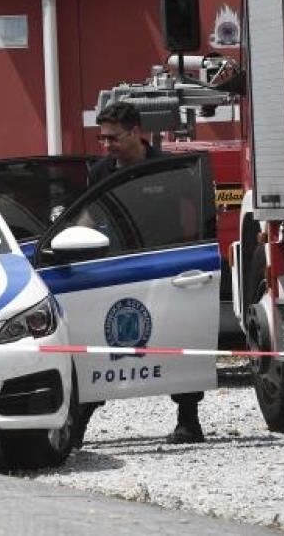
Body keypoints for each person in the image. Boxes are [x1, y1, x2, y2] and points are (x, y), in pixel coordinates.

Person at [84, 101, 207, 445]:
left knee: (180, 341)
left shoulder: (169, 169)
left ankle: (188, 419)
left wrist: (192, 257)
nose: (107, 146)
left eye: (113, 138)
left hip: (167, 267)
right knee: (101, 343)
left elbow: (195, 215)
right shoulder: (100, 173)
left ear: (137, 132)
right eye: (102, 139)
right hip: (118, 270)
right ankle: (80, 421)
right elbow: (89, 217)